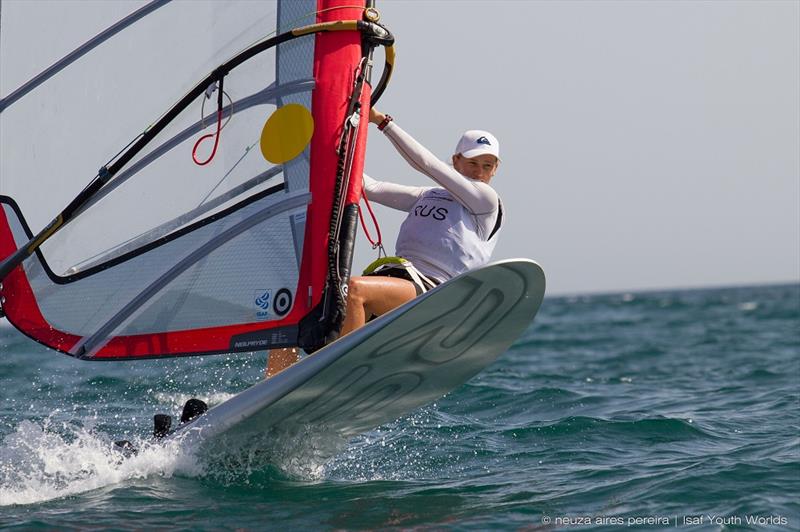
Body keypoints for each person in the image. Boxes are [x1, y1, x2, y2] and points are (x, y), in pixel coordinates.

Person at [265, 107, 503, 376]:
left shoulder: (485, 202)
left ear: (495, 169)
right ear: (457, 160)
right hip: (400, 282)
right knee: (304, 301)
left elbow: (427, 164)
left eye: (487, 165)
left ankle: (336, 378)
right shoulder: (429, 195)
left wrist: (382, 122)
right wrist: (310, 149)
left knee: (355, 289)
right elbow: (369, 187)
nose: (478, 172)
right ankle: (274, 383)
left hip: (434, 294)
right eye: (472, 163)